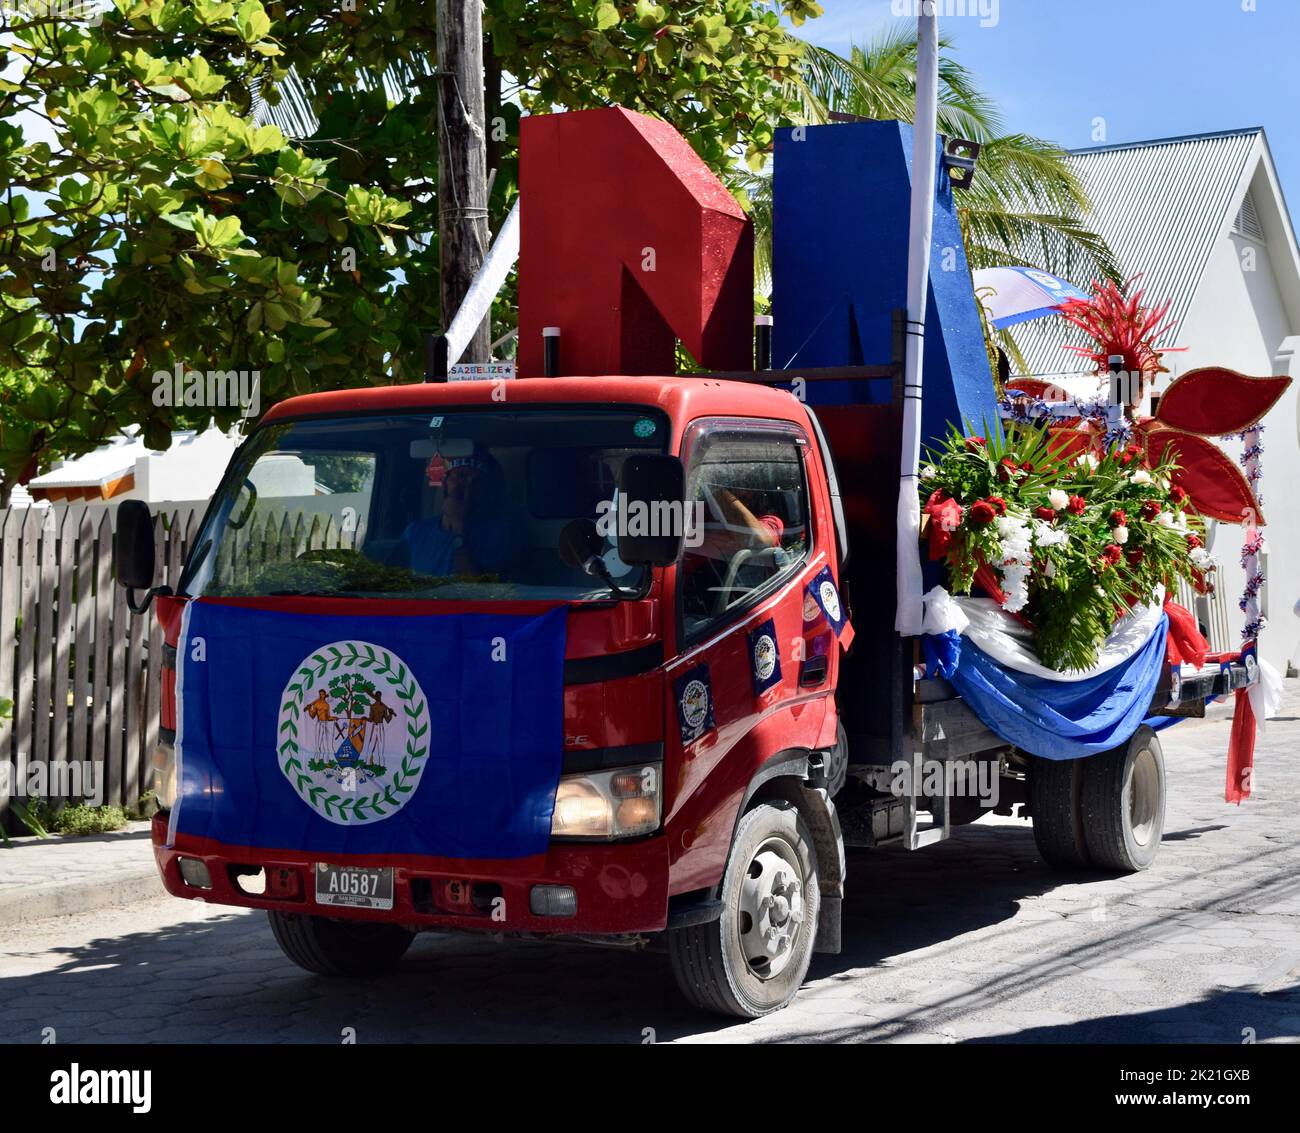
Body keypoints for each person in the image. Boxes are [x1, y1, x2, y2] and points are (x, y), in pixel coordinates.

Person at [400, 453, 513, 577]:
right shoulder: (415, 532)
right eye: (461, 476)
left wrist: (458, 524)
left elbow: (479, 590)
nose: (467, 487)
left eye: (477, 481)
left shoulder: (496, 534)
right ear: (445, 481)